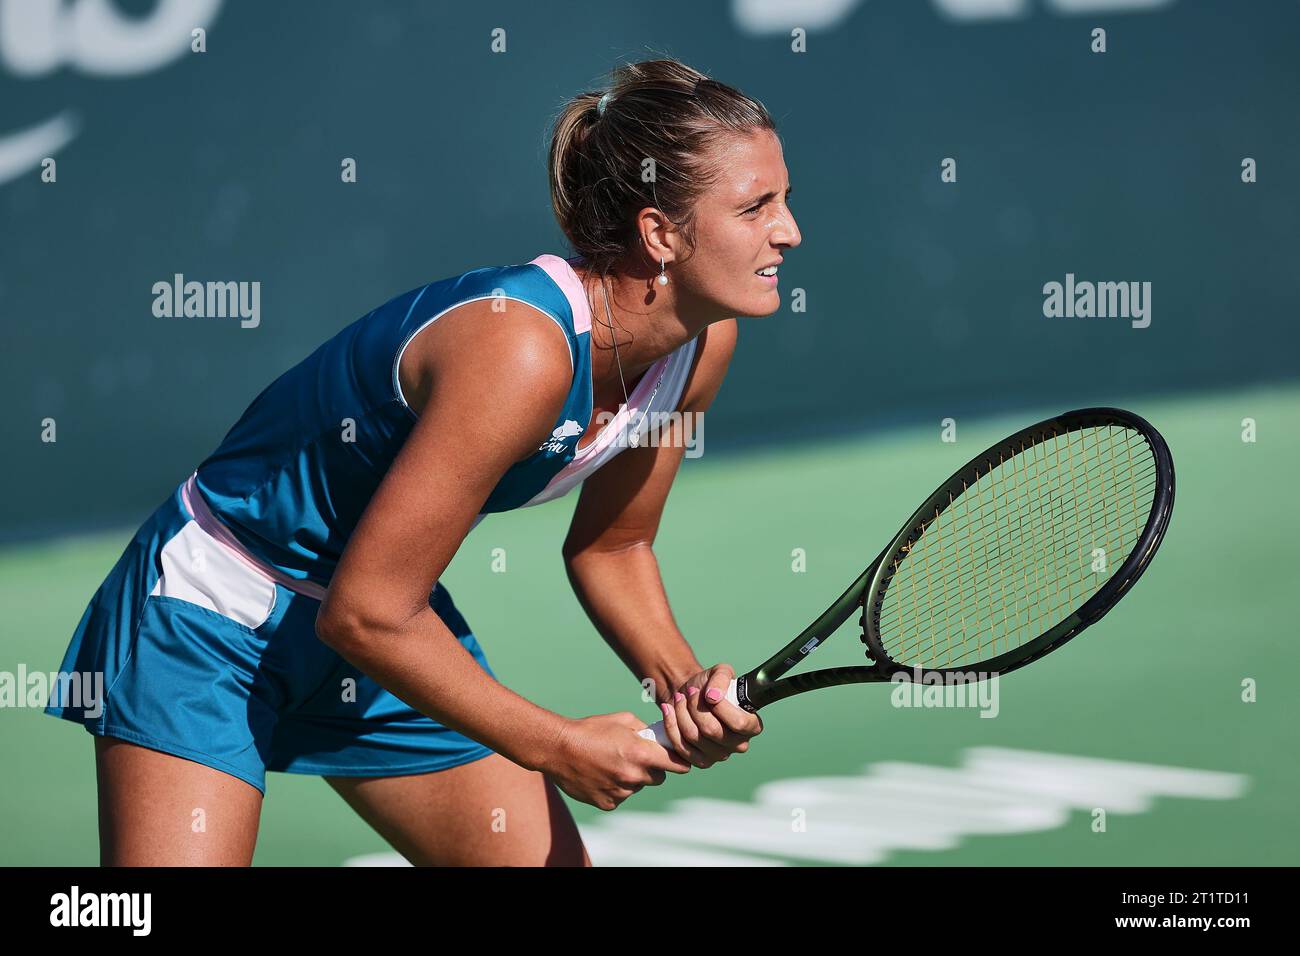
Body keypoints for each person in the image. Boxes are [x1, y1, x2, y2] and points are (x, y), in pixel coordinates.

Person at [45, 58, 801, 866]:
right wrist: (555, 744)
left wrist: (682, 690)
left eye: (784, 200)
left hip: (383, 629)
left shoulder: (701, 345)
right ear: (661, 234)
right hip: (213, 616)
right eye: (756, 207)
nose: (789, 231)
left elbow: (613, 546)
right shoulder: (522, 350)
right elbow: (365, 613)